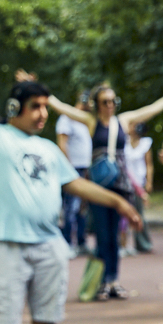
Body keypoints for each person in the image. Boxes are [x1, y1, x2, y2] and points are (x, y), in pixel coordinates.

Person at [0, 18, 143, 324]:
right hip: (7, 244)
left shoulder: (47, 149)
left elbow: (75, 184)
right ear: (15, 109)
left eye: (45, 106)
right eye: (35, 107)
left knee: (47, 314)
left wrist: (118, 201)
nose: (42, 114)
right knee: (4, 317)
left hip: (47, 244)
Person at [49, 72, 163, 300]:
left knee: (115, 234)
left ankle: (113, 280)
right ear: (97, 105)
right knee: (103, 234)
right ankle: (103, 281)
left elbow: (154, 108)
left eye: (113, 101)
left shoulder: (123, 121)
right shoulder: (91, 121)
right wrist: (34, 88)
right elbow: (61, 106)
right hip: (98, 185)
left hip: (120, 184)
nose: (110, 105)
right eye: (105, 102)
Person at [55, 92, 93, 255]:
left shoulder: (85, 121)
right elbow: (62, 143)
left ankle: (81, 242)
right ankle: (67, 243)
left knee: (82, 208)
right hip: (73, 168)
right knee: (70, 207)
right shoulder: (66, 118)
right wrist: (68, 168)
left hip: (85, 168)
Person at [125, 122, 154, 254]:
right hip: (125, 182)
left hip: (138, 182)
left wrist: (149, 182)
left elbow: (149, 164)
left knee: (138, 212)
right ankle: (123, 244)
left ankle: (142, 243)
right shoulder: (124, 141)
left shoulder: (145, 143)